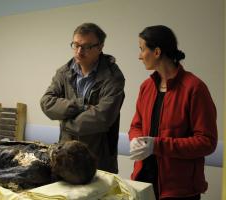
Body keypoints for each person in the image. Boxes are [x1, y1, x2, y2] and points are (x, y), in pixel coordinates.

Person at [128, 25, 217, 200]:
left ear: (157, 52)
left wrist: (157, 145)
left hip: (179, 191)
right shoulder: (146, 87)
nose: (139, 56)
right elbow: (136, 125)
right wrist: (136, 139)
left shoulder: (194, 88)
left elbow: (206, 142)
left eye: (142, 49)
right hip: (143, 182)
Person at [40, 22, 125, 173]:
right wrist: (80, 106)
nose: (79, 51)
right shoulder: (64, 72)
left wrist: (65, 121)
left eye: (86, 47)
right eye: (76, 45)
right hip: (66, 156)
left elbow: (102, 117)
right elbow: (46, 102)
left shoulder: (113, 77)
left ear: (100, 47)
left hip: (98, 160)